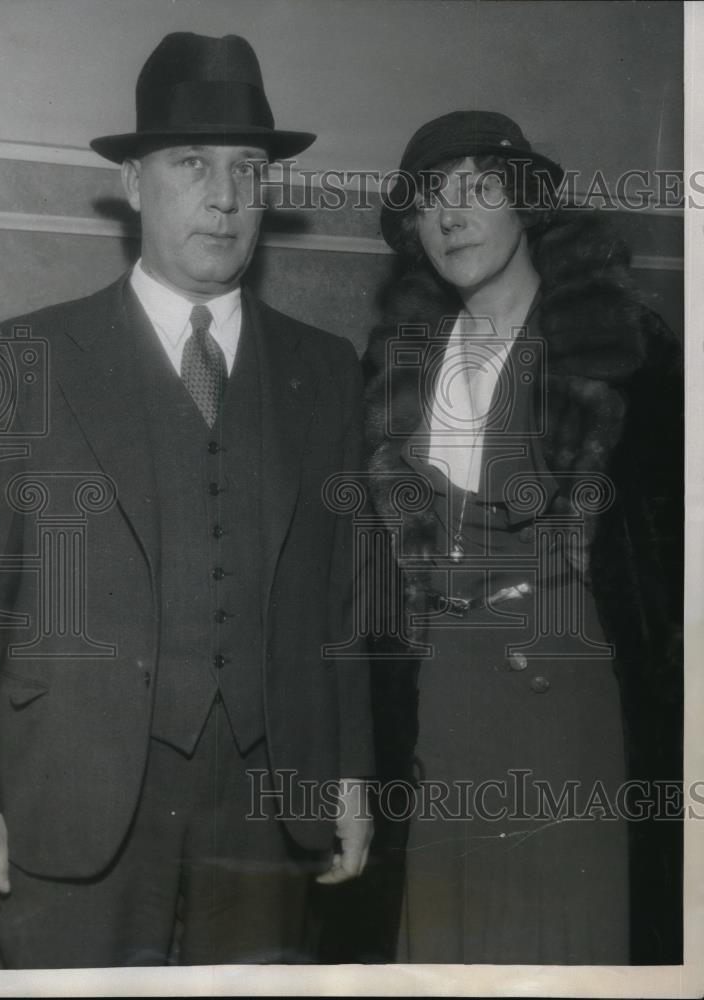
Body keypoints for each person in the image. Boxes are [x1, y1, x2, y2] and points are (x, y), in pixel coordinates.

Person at [0, 31, 373, 968]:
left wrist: (354, 775)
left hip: (272, 794)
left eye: (248, 169)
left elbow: (344, 600)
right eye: (192, 164)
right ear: (132, 182)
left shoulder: (325, 372)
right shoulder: (27, 357)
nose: (226, 196)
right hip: (69, 796)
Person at [363, 111, 683, 964]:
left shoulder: (624, 354)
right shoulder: (400, 363)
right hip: (439, 725)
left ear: (529, 203)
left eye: (478, 187)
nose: (451, 214)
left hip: (568, 726)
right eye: (429, 198)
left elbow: (670, 573)